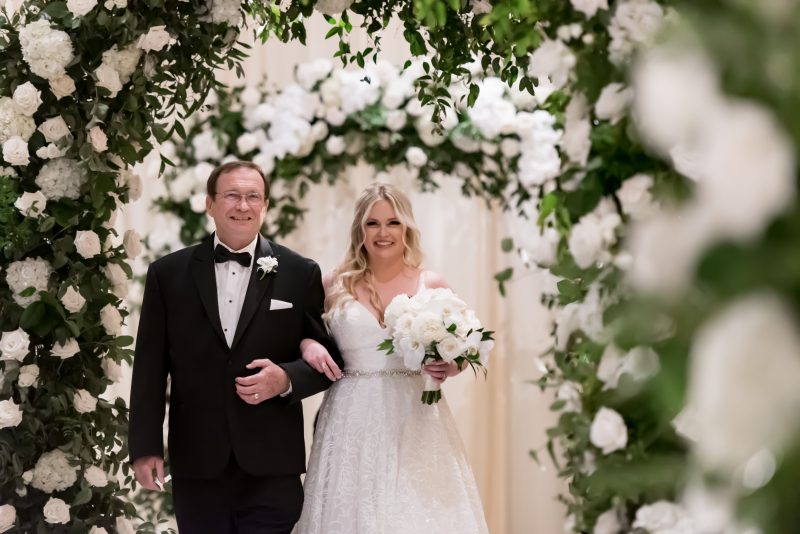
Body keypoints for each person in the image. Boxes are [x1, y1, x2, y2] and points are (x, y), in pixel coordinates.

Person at [128, 161, 342, 533]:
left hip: (272, 462)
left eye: (252, 197)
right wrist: (145, 447)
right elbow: (149, 367)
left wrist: (286, 379)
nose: (242, 206)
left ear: (265, 205)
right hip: (198, 461)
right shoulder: (167, 273)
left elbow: (327, 359)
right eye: (231, 196)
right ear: (209, 204)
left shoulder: (300, 272)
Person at [292, 183, 490, 534]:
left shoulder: (433, 283)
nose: (383, 233)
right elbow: (302, 334)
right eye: (372, 223)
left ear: (407, 228)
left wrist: (450, 365)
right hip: (351, 416)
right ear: (360, 230)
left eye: (393, 222)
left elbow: (463, 348)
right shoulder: (333, 284)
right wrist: (309, 344)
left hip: (416, 415)